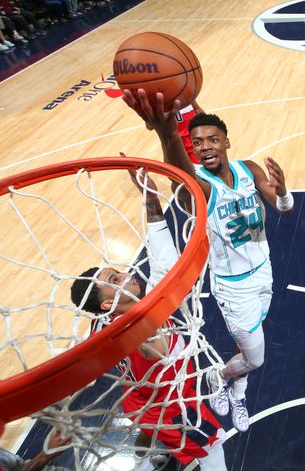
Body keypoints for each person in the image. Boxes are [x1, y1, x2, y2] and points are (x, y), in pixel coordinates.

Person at [121, 90, 294, 433]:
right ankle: (220, 375)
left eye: (213, 139)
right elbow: (178, 174)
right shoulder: (199, 185)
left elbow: (284, 208)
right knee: (256, 357)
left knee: (248, 343)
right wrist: (167, 133)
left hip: (265, 272)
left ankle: (239, 388)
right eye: (197, 142)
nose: (205, 147)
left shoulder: (250, 168)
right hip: (233, 288)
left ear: (227, 142)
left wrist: (284, 190)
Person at [70, 158, 227, 470]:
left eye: (118, 272)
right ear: (106, 304)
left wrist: (150, 197)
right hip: (170, 403)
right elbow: (155, 349)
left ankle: (143, 462)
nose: (127, 275)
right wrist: (149, 332)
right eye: (115, 281)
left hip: (139, 397)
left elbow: (160, 251)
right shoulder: (132, 329)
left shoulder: (102, 320)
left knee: (148, 430)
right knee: (213, 446)